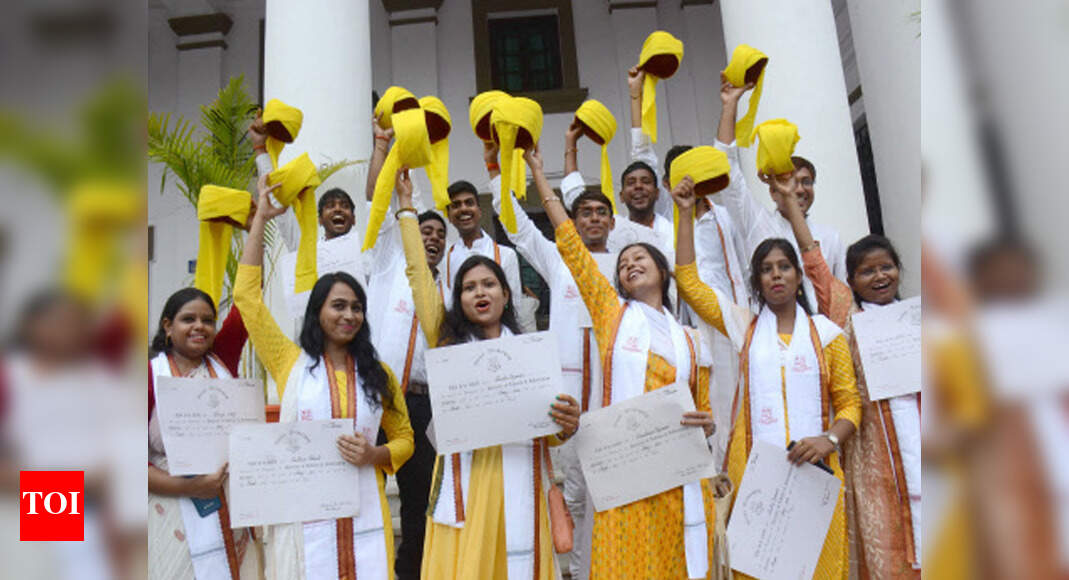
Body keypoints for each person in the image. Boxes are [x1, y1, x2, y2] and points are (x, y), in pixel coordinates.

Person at [536, 140, 719, 578]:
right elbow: (571, 246)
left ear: (663, 270)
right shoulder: (612, 316)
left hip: (677, 474)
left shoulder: (691, 340)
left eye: (639, 258)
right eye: (622, 264)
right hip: (626, 471)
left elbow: (704, 410)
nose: (629, 265)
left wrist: (707, 424)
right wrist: (538, 173)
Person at [671, 170, 861, 579]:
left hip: (818, 473)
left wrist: (827, 440)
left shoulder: (827, 334)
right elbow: (688, 283)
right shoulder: (745, 327)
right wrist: (684, 214)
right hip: (755, 473)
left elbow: (849, 404)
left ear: (797, 276)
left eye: (784, 267)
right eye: (766, 269)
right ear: (757, 281)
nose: (776, 274)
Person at [393, 167, 580, 580]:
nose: (480, 292)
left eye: (489, 284)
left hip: (523, 473)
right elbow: (419, 277)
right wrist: (407, 208)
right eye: (469, 287)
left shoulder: (530, 353)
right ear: (458, 299)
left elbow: (550, 428)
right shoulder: (449, 344)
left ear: (506, 293)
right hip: (470, 483)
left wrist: (565, 425)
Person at [234, 174, 414, 579]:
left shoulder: (376, 372)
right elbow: (247, 300)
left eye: (356, 307)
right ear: (318, 312)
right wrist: (261, 217)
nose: (348, 315)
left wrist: (375, 455)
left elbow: (404, 437)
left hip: (366, 509)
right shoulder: (289, 363)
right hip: (304, 513)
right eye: (338, 306)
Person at [773, 169, 922, 577]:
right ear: (852, 281)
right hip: (878, 450)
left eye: (886, 267)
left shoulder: (924, 317)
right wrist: (791, 205)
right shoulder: (847, 317)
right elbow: (814, 261)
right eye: (867, 271)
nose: (879, 277)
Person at [485, 128, 615, 579]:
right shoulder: (560, 259)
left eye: (602, 213)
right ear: (573, 222)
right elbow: (517, 226)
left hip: (614, 391)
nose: (594, 219)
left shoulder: (627, 265)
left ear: (612, 224)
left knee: (613, 491)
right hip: (567, 397)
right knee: (575, 495)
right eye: (586, 213)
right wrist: (498, 171)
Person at [364, 113, 448, 580]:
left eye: (439, 235)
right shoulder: (388, 262)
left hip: (423, 405)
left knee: (419, 502)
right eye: (425, 231)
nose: (431, 238)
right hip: (377, 397)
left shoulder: (452, 287)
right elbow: (377, 201)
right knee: (365, 492)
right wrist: (382, 149)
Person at [147, 287, 260, 579]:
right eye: (188, 319)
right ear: (168, 326)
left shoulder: (222, 360)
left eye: (208, 320)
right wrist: (190, 487)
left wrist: (255, 238)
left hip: (230, 503)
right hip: (171, 504)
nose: (200, 326)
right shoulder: (149, 376)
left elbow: (246, 300)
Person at [712, 72, 847, 311]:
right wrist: (730, 104)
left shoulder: (830, 238)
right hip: (767, 331)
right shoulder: (755, 222)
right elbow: (726, 168)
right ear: (773, 191)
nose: (798, 189)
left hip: (819, 335)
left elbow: (839, 296)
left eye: (806, 181)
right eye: (788, 181)